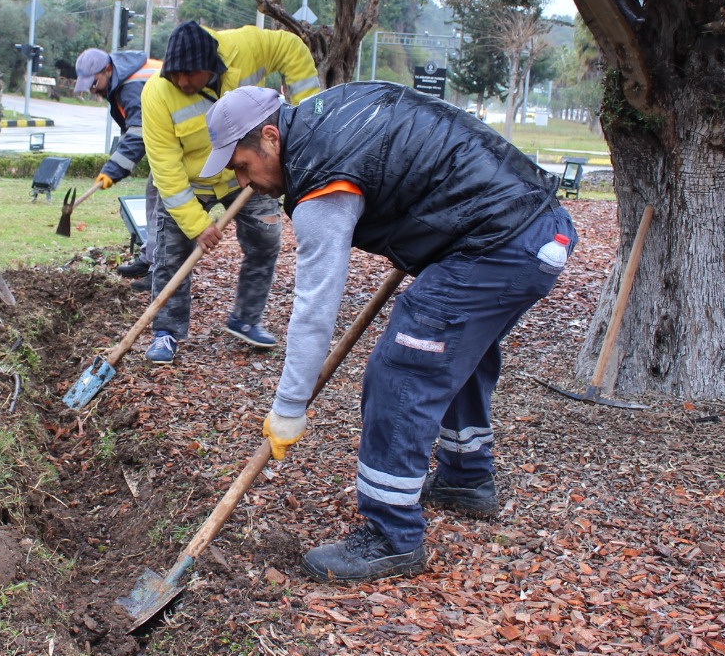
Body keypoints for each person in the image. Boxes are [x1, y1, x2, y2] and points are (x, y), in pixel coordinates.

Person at [202, 82, 577, 583]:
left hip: (500, 240)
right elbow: (417, 147)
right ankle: (466, 478)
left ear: (270, 137)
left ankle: (391, 535)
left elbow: (316, 307)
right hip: (534, 228)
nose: (246, 181)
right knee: (451, 351)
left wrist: (289, 406)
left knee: (404, 368)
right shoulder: (330, 111)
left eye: (243, 166)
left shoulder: (321, 182)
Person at [139, 20, 322, 364]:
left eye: (189, 74)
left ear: (211, 64)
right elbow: (166, 170)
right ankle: (166, 331)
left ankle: (246, 318)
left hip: (250, 170)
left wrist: (306, 118)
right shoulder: (156, 95)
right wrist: (196, 225)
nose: (181, 82)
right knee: (171, 253)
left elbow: (292, 48)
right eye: (174, 74)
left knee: (266, 241)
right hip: (194, 182)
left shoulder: (247, 46)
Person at [73, 46, 162, 290]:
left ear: (108, 69)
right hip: (169, 141)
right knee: (155, 193)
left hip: (186, 140)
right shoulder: (124, 78)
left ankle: (161, 271)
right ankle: (150, 258)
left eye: (95, 83)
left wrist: (112, 171)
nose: (95, 90)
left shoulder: (132, 84)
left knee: (167, 204)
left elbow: (138, 132)